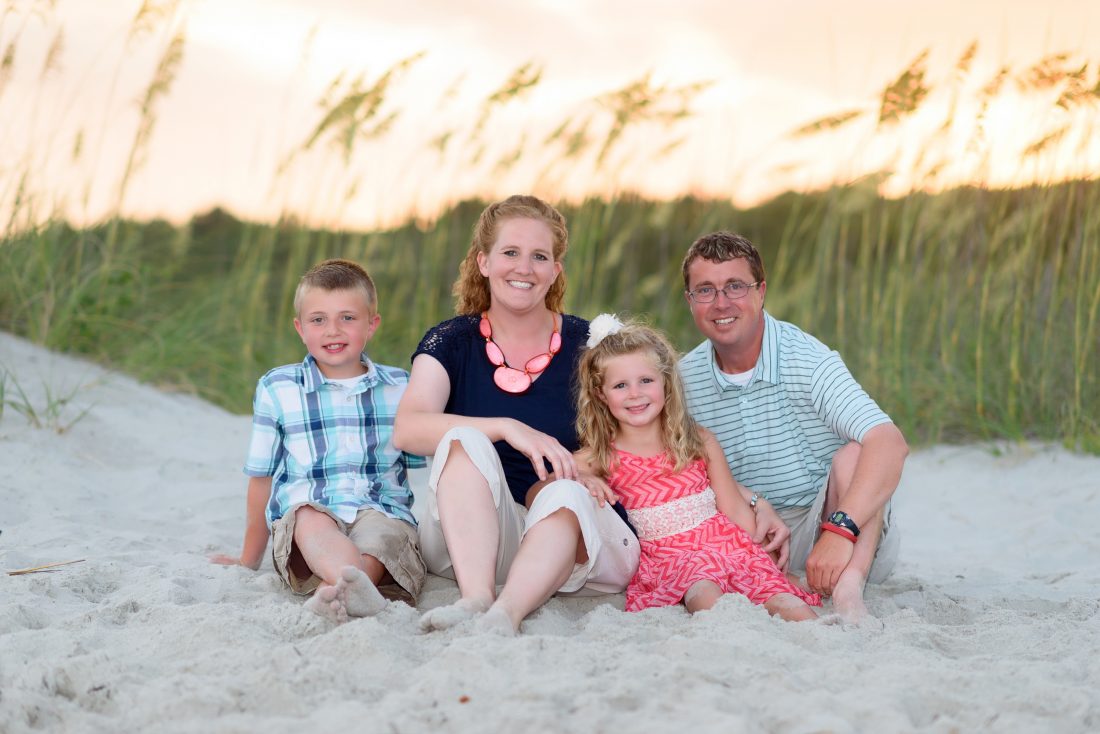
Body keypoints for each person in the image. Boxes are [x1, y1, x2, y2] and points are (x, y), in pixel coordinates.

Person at [393, 194, 640, 635]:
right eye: (511, 253)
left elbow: (647, 428)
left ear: (555, 271)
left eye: (539, 256)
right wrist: (507, 429)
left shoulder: (593, 343)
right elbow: (408, 429)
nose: (524, 268)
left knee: (563, 493)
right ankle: (476, 599)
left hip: (580, 537)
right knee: (465, 440)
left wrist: (584, 465)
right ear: (483, 261)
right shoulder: (450, 342)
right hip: (478, 540)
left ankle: (506, 615)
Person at [679, 231, 908, 623]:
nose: (721, 303)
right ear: (690, 301)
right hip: (750, 529)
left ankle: (850, 588)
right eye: (705, 290)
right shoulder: (684, 378)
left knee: (857, 451)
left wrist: (839, 531)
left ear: (761, 291)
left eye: (735, 286)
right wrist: (751, 509)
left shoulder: (807, 360)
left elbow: (890, 443)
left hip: (833, 526)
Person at [210, 259, 426, 624]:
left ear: (372, 324)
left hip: (380, 508)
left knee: (384, 534)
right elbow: (261, 478)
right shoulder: (278, 388)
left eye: (347, 318)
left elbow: (421, 462)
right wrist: (249, 559)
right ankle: (350, 585)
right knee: (309, 519)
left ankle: (343, 590)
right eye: (318, 319)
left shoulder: (401, 386)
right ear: (300, 328)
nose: (332, 330)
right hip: (310, 512)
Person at [574, 315, 820, 620]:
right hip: (670, 560)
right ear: (601, 394)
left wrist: (763, 559)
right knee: (705, 595)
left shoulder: (698, 440)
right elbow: (561, 480)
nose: (635, 394)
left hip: (728, 546)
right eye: (621, 385)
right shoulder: (598, 457)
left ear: (666, 382)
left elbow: (733, 508)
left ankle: (826, 647)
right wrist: (584, 479)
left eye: (646, 381)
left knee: (784, 601)